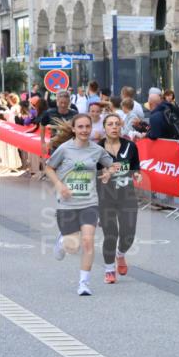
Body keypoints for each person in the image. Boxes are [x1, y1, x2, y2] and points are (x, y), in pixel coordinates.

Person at [44, 114, 119, 296]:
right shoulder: (64, 149)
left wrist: (109, 173)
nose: (84, 130)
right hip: (67, 204)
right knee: (72, 246)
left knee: (87, 241)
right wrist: (59, 185)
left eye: (87, 127)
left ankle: (83, 283)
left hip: (90, 203)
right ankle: (63, 240)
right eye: (80, 127)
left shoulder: (96, 150)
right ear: (74, 129)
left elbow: (113, 165)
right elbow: (48, 167)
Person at [97, 113, 141, 284]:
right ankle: (109, 269)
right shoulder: (97, 149)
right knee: (111, 234)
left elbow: (136, 166)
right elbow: (91, 173)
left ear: (121, 126)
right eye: (110, 124)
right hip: (105, 197)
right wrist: (105, 174)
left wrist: (137, 174)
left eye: (117, 124)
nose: (114, 127)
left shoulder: (130, 146)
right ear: (105, 127)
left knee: (128, 234)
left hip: (126, 195)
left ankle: (120, 254)